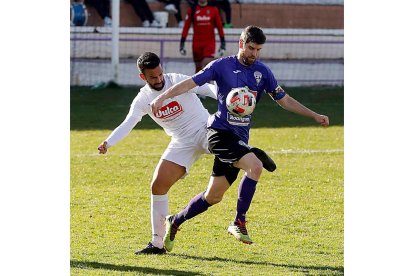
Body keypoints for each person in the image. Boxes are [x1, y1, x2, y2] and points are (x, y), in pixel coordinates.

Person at [150, 25, 329, 252]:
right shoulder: (221, 66)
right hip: (218, 133)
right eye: (251, 48)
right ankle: (239, 221)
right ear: (241, 44)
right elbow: (191, 83)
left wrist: (313, 115)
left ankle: (175, 221)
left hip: (238, 139)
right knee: (254, 166)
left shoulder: (262, 72)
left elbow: (284, 99)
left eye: (258, 50)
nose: (254, 54)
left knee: (213, 196)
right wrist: (163, 97)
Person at [97, 52, 217, 254]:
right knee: (158, 185)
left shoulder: (177, 80)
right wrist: (108, 142)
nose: (159, 79)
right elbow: (129, 123)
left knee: (235, 157)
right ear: (142, 77)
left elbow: (208, 89)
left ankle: (252, 157)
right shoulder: (143, 99)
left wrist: (231, 97)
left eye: (160, 74)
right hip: (181, 142)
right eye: (153, 77)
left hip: (204, 130)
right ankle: (157, 244)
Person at [179, 0, 226, 73]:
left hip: (209, 43)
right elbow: (186, 27)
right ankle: (199, 84)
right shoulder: (192, 9)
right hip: (196, 44)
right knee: (198, 69)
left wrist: (223, 42)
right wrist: (182, 43)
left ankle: (208, 84)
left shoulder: (213, 9)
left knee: (207, 65)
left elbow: (220, 27)